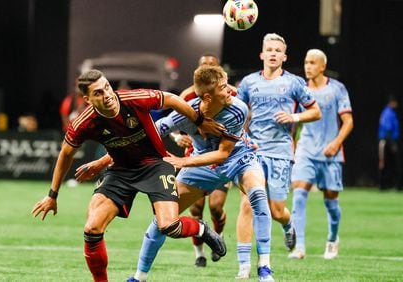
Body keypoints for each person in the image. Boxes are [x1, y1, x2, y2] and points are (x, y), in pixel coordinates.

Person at [31, 69, 226, 282]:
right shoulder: (83, 123)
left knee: (169, 226)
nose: (107, 95)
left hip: (156, 164)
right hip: (121, 171)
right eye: (98, 93)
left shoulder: (134, 99)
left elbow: (171, 99)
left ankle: (201, 229)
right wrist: (52, 195)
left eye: (107, 87)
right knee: (92, 228)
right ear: (87, 99)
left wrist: (198, 120)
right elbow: (65, 154)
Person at [123, 65, 274, 282]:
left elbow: (223, 154)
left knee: (258, 196)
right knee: (163, 218)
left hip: (239, 159)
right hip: (202, 167)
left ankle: (264, 268)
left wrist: (182, 161)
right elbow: (157, 128)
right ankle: (139, 277)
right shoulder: (187, 112)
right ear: (207, 96)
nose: (230, 91)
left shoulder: (238, 108)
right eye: (223, 87)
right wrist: (110, 157)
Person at [236, 33, 322, 267]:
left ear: (284, 57)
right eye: (269, 50)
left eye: (278, 50)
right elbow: (238, 114)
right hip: (252, 152)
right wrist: (240, 141)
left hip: (281, 152)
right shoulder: (248, 83)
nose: (273, 53)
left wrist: (293, 116)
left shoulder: (294, 82)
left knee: (276, 211)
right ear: (262, 54)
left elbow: (315, 111)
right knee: (247, 205)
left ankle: (288, 224)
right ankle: (244, 267)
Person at [287, 49, 354, 260]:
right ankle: (299, 247)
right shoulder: (301, 90)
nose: (308, 66)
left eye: (313, 63)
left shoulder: (337, 89)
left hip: (330, 152)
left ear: (322, 66)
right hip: (306, 150)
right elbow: (292, 122)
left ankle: (333, 239)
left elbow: (348, 122)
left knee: (331, 203)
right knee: (298, 195)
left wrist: (336, 143)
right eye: (306, 62)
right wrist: (292, 147)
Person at [175, 53, 238, 267]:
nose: (209, 67)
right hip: (194, 156)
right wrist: (178, 137)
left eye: (213, 65)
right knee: (195, 209)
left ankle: (216, 238)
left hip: (220, 158)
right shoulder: (187, 96)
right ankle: (199, 253)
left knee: (216, 207)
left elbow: (240, 119)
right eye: (204, 65)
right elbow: (171, 124)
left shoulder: (229, 94)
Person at [378, 95, 401, 190]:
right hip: (386, 141)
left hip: (389, 140)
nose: (396, 105)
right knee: (384, 162)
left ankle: (390, 184)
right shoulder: (388, 113)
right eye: (395, 103)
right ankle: (383, 185)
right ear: (392, 102)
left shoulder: (391, 112)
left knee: (390, 163)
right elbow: (387, 129)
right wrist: (392, 144)